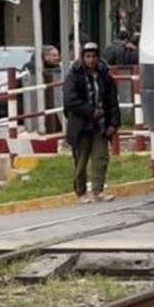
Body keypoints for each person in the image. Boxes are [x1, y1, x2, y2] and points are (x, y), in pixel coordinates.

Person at [63, 43, 120, 203]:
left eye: (94, 56)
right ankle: (81, 192)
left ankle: (98, 190)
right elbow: (70, 99)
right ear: (83, 57)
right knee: (81, 160)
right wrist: (89, 111)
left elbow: (112, 101)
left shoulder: (105, 76)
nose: (91, 60)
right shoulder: (74, 75)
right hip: (81, 125)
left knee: (101, 157)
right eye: (88, 56)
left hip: (101, 125)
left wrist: (113, 123)